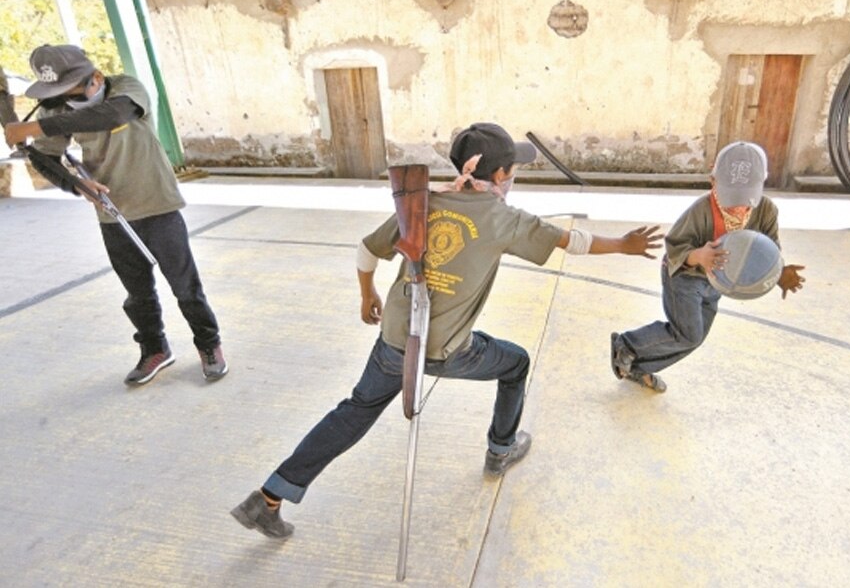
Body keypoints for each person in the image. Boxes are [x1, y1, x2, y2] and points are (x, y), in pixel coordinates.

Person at [231, 122, 664, 538]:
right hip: (447, 351)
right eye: (513, 168)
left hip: (396, 339)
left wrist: (368, 295)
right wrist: (624, 245)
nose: (514, 175)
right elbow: (575, 242)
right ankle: (501, 449)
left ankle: (268, 498)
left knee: (355, 412)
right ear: (499, 174)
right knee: (516, 364)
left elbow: (366, 249)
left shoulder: (420, 203)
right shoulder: (503, 219)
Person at [3, 44, 228, 385]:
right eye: (58, 95)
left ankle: (209, 345)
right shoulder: (56, 113)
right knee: (138, 294)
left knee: (185, 287)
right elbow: (44, 159)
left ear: (95, 78)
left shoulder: (126, 89)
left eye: (71, 91)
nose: (67, 101)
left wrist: (31, 129)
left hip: (158, 206)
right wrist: (75, 183)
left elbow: (111, 116)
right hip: (113, 214)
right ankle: (155, 349)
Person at [610, 141, 805, 393]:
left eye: (744, 199)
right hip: (684, 276)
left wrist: (778, 272)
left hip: (716, 284)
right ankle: (626, 344)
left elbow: (768, 249)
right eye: (730, 197)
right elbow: (675, 248)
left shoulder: (766, 210)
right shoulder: (701, 210)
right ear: (712, 180)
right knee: (687, 334)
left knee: (695, 338)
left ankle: (638, 367)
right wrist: (699, 256)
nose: (737, 206)